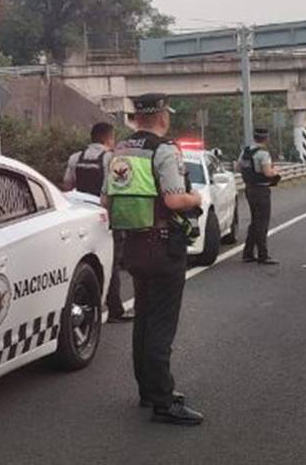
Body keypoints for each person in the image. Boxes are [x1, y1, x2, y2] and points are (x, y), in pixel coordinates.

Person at [103, 93, 204, 425]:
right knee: (161, 324)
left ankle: (148, 390)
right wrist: (196, 196)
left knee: (144, 320)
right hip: (163, 246)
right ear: (161, 116)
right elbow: (175, 201)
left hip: (133, 244)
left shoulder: (118, 151)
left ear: (136, 118)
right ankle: (163, 402)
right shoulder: (164, 150)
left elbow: (106, 200)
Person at [64, 122, 134, 323]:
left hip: (80, 216)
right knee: (110, 263)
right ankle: (115, 310)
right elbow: (114, 189)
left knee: (83, 262)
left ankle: (82, 306)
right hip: (105, 217)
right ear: (109, 139)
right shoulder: (111, 159)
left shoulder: (75, 158)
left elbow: (68, 184)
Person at [238, 127, 282, 265]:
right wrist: (275, 171)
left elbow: (238, 168)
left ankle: (248, 253)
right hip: (261, 189)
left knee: (255, 222)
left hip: (249, 188)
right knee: (262, 222)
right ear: (266, 138)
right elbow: (267, 173)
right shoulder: (263, 154)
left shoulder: (245, 151)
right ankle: (263, 255)